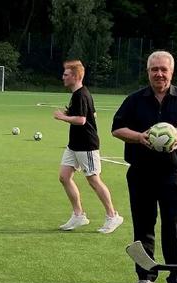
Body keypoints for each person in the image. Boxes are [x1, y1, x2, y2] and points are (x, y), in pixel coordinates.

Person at [111, 50, 177, 283]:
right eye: (154, 69)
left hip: (174, 175)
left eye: (164, 69)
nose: (159, 74)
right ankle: (145, 276)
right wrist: (139, 137)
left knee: (175, 229)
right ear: (148, 72)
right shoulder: (134, 100)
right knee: (143, 227)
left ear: (171, 72)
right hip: (141, 174)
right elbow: (117, 128)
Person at [53, 60, 123, 234]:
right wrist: (69, 113)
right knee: (64, 177)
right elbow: (93, 114)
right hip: (74, 145)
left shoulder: (81, 94)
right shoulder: (77, 95)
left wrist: (62, 117)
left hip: (86, 145)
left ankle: (112, 216)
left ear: (75, 76)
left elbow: (82, 120)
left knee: (93, 180)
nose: (63, 77)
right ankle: (78, 215)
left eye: (66, 74)